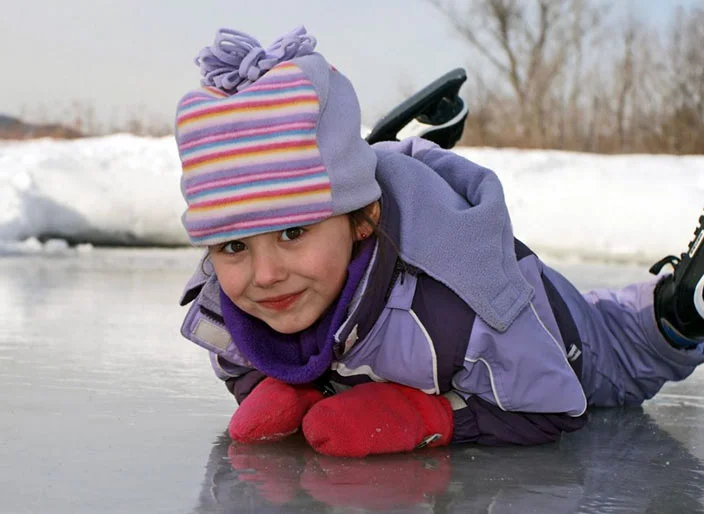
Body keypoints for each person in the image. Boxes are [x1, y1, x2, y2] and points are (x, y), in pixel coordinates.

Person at [175, 26, 704, 458]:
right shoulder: (226, 304)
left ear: (362, 220)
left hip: (559, 337)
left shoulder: (453, 309)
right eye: (234, 246)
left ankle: (678, 305)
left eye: (293, 232)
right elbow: (240, 361)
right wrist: (286, 390)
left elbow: (554, 404)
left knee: (629, 341)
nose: (264, 275)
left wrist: (422, 415)